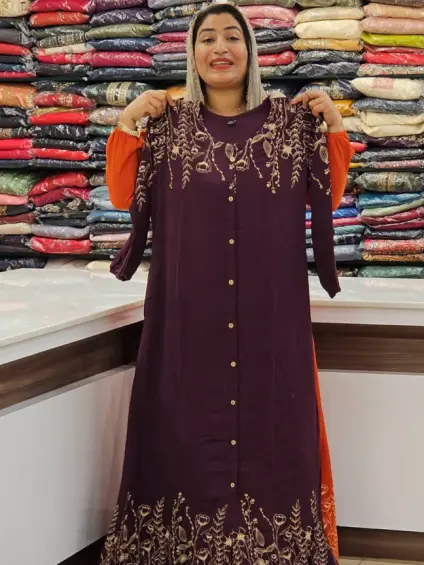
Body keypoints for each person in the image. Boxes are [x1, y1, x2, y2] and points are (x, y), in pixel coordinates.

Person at [102, 4, 354, 565]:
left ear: (251, 51)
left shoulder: (292, 125)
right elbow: (122, 196)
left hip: (270, 323)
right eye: (207, 38)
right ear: (192, 53)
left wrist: (335, 130)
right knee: (184, 439)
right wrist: (128, 122)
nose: (220, 48)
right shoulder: (168, 128)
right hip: (190, 323)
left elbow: (328, 197)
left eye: (232, 37)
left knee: (275, 436)